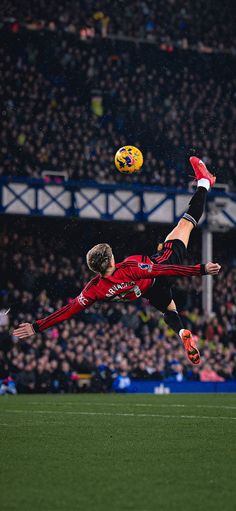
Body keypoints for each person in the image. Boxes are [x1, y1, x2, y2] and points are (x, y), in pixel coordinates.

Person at [13, 157, 221, 364]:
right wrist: (201, 269)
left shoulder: (94, 289)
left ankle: (181, 331)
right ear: (111, 259)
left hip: (149, 291)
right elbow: (164, 271)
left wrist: (37, 327)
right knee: (186, 223)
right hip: (161, 268)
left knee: (169, 310)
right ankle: (204, 182)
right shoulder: (130, 267)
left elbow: (67, 311)